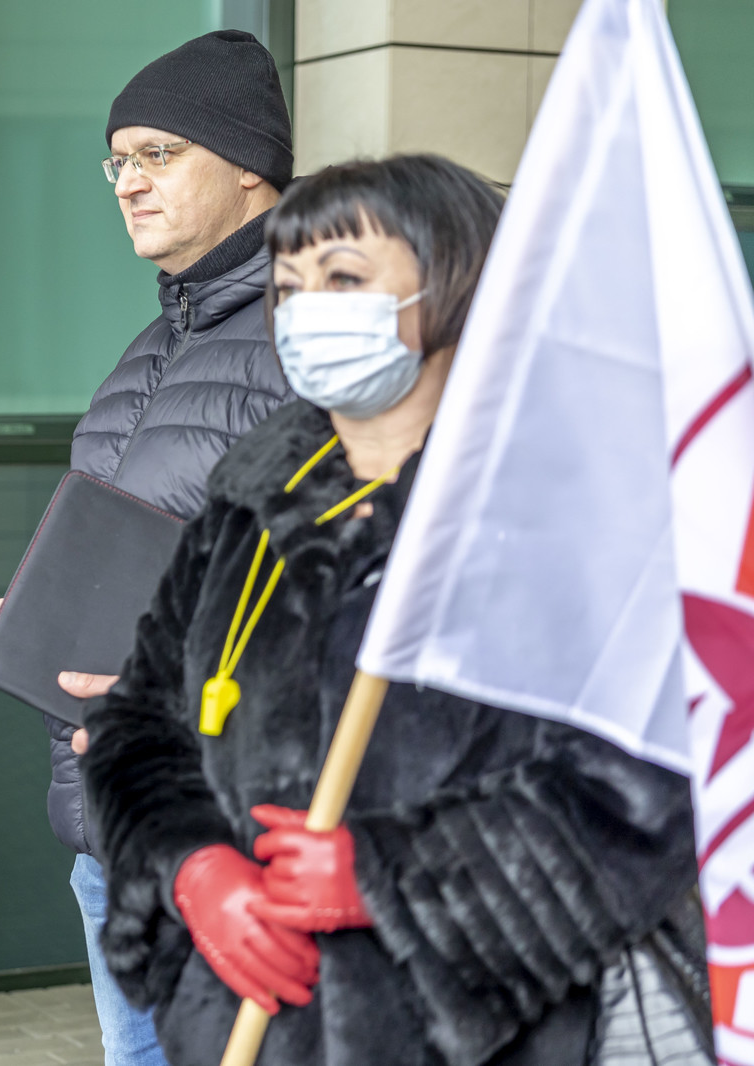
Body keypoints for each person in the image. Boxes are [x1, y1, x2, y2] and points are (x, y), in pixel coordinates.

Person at [80, 154, 714, 1066]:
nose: (306, 309)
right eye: (290, 285)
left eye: (344, 280)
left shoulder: (570, 511)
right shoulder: (251, 500)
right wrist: (192, 869)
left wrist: (386, 879)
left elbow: (645, 784)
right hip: (256, 1027)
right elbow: (141, 721)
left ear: (452, 287)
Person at [0, 30, 292, 1066]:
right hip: (112, 827)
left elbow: (352, 596)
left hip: (232, 839)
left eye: (159, 153)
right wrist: (41, 611)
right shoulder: (149, 346)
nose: (128, 182)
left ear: (249, 166)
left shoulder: (316, 337)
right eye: (116, 161)